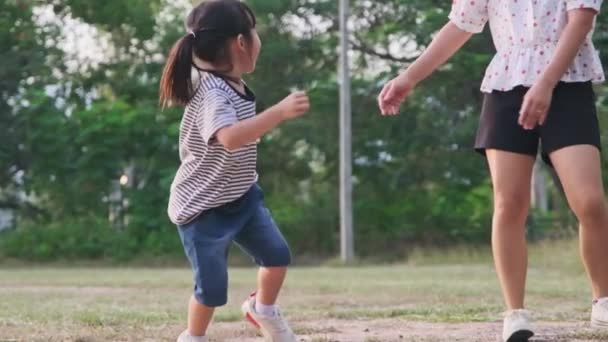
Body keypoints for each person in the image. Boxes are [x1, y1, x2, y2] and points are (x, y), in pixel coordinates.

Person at [377, 1, 608, 341]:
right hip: (506, 86)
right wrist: (409, 77)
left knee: (590, 202)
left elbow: (581, 23)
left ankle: (602, 300)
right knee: (509, 204)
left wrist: (544, 85)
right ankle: (516, 314)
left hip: (567, 84)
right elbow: (460, 26)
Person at [159, 1, 309, 341]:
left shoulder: (231, 85)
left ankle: (264, 310)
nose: (259, 40)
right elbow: (229, 138)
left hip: (242, 197)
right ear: (241, 42)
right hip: (202, 209)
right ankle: (193, 336)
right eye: (255, 32)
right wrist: (279, 112)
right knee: (211, 289)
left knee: (276, 256)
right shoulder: (212, 92)